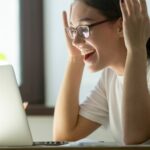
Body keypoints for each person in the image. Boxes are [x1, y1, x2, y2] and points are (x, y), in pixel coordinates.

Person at [53, 0, 150, 145]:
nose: (75, 41)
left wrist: (136, 49)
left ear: (121, 26)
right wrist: (75, 58)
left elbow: (134, 139)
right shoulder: (109, 77)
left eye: (84, 29)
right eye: (73, 31)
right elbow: (64, 136)